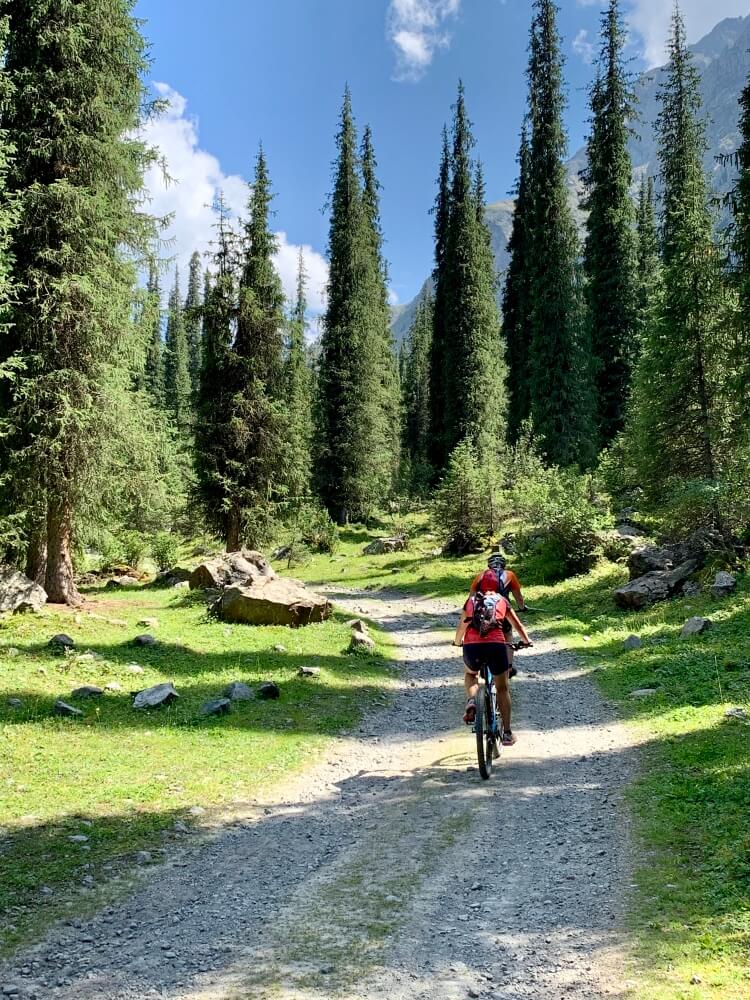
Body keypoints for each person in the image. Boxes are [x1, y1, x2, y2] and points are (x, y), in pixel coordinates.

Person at [453, 587, 532, 746]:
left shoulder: (471, 601)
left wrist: (457, 642)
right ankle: (507, 733)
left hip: (472, 646)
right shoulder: (502, 601)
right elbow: (518, 626)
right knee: (502, 688)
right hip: (496, 645)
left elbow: (462, 627)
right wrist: (526, 641)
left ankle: (472, 701)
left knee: (471, 675)